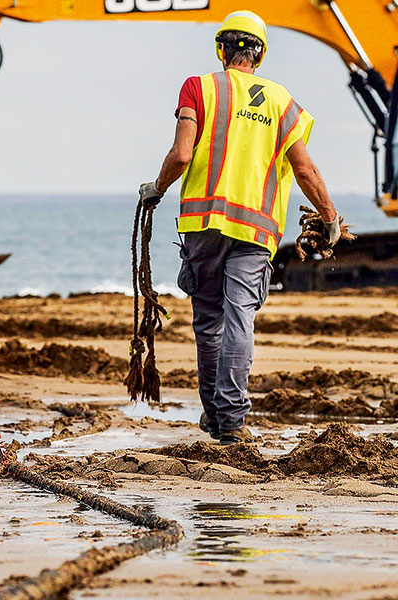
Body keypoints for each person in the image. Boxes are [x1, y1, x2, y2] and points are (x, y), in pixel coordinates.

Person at [138, 10, 340, 445]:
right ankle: (230, 421)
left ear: (221, 48)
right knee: (240, 319)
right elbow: (304, 169)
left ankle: (215, 417)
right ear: (260, 53)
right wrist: (329, 219)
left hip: (202, 225)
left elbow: (180, 155)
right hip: (256, 230)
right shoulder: (282, 101)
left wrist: (155, 189)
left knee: (209, 320)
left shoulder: (199, 87)